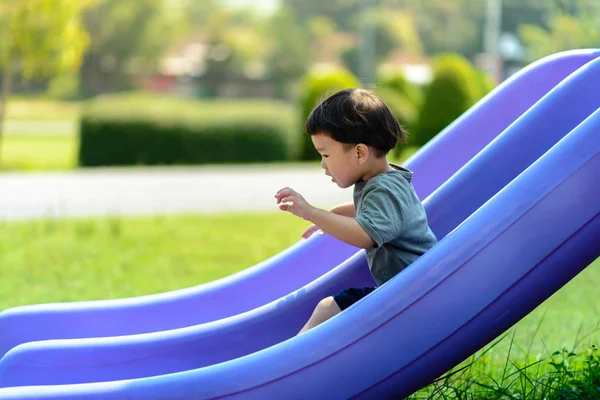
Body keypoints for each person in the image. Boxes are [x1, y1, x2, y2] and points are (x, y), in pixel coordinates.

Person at [274, 88, 438, 335]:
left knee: (328, 308)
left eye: (326, 154)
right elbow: (371, 212)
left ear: (360, 152)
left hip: (413, 293)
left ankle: (287, 361)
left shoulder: (385, 187)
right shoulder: (381, 182)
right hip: (407, 289)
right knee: (331, 308)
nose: (323, 164)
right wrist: (332, 215)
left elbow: (365, 233)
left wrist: (313, 213)